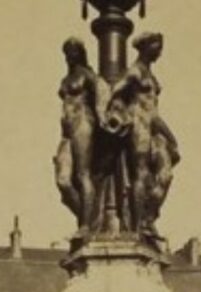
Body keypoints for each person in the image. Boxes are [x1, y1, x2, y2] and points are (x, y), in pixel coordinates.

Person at [107, 31, 180, 235]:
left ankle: (148, 215)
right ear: (146, 47)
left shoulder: (150, 75)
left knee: (166, 175)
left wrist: (171, 138)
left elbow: (154, 113)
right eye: (157, 47)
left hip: (154, 126)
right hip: (139, 125)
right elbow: (115, 92)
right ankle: (139, 226)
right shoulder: (135, 72)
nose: (160, 52)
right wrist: (117, 114)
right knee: (141, 173)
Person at [53, 37, 108, 235]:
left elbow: (102, 89)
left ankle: (85, 225)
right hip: (66, 130)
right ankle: (90, 216)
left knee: (83, 173)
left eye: (73, 52)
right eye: (66, 53)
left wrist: (102, 116)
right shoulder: (66, 79)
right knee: (63, 181)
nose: (69, 57)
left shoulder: (86, 75)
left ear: (80, 53)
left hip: (83, 123)